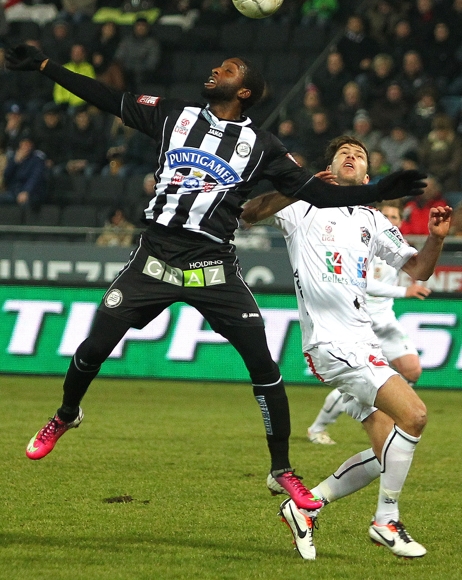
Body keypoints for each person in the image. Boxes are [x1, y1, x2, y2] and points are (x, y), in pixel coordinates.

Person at [6, 43, 425, 522]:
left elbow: (314, 192)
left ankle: (282, 469)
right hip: (155, 257)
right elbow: (107, 97)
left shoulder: (263, 145)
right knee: (93, 348)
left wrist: (375, 191)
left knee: (264, 368)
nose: (214, 70)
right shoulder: (173, 116)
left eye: (226, 70)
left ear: (243, 90)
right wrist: (45, 66)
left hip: (214, 267)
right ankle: (65, 415)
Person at [241, 135, 451, 559]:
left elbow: (419, 270)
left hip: (363, 339)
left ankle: (306, 507)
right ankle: (385, 521)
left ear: (368, 176)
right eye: (343, 154)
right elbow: (247, 215)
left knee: (386, 449)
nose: (351, 157)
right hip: (332, 343)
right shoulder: (301, 207)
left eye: (359, 155)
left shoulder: (372, 221)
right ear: (330, 171)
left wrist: (437, 238)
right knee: (416, 415)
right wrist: (294, 188)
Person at [307, 199, 431, 445]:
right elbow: (363, 283)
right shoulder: (362, 243)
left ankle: (382, 402)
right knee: (360, 382)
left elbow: (419, 267)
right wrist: (403, 292)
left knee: (412, 369)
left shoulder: (398, 248)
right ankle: (318, 427)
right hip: (361, 319)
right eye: (386, 216)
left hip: (386, 319)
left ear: (400, 221)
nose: (390, 220)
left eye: (395, 217)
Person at [0, 130, 47, 207]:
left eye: (28, 144)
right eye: (24, 144)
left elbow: (35, 177)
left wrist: (26, 191)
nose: (26, 147)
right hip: (14, 191)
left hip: (32, 193)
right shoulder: (14, 158)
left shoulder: (37, 159)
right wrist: (15, 162)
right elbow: (6, 176)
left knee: (25, 202)